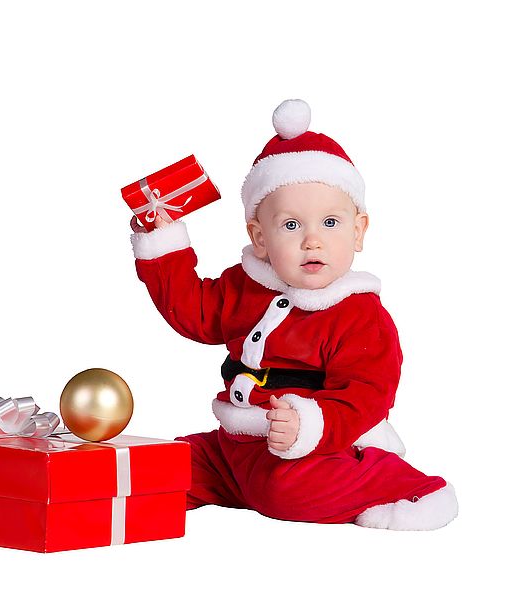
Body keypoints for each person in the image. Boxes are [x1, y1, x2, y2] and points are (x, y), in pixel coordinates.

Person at [128, 99, 458, 529]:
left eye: (331, 223)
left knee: (287, 491)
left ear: (358, 232)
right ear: (259, 237)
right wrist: (163, 240)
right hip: (234, 447)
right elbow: (194, 312)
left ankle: (402, 485)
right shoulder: (246, 285)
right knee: (161, 470)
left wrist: (309, 424)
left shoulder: (358, 312)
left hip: (312, 449)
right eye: (290, 225)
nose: (312, 241)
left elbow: (367, 394)